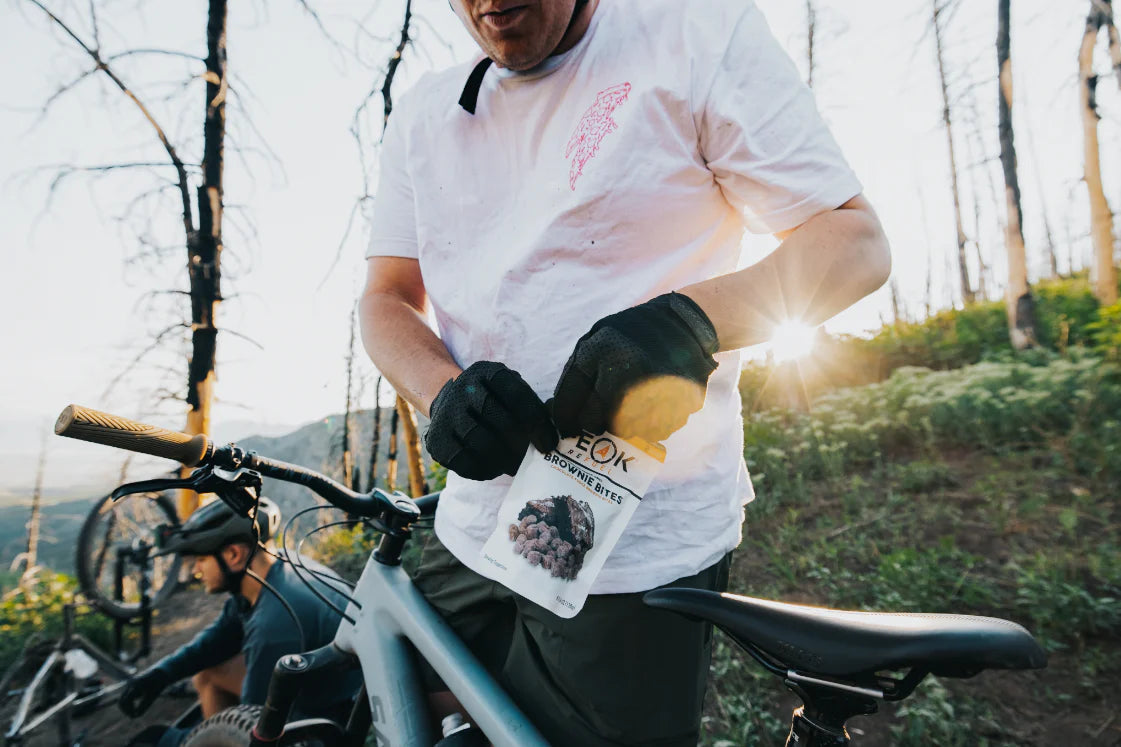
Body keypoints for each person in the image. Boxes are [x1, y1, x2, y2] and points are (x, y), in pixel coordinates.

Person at [359, 0, 891, 744]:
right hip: (469, 525)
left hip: (631, 549)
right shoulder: (424, 112)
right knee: (385, 708)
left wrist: (687, 323)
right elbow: (385, 299)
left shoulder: (696, 36)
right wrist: (441, 391)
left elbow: (854, 240)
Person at [119, 497, 359, 744]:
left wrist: (176, 741)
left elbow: (255, 724)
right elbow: (220, 638)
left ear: (234, 554)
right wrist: (160, 675)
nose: (195, 572)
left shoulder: (274, 626)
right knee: (208, 675)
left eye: (201, 560)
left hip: (327, 727)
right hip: (328, 692)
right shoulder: (275, 573)